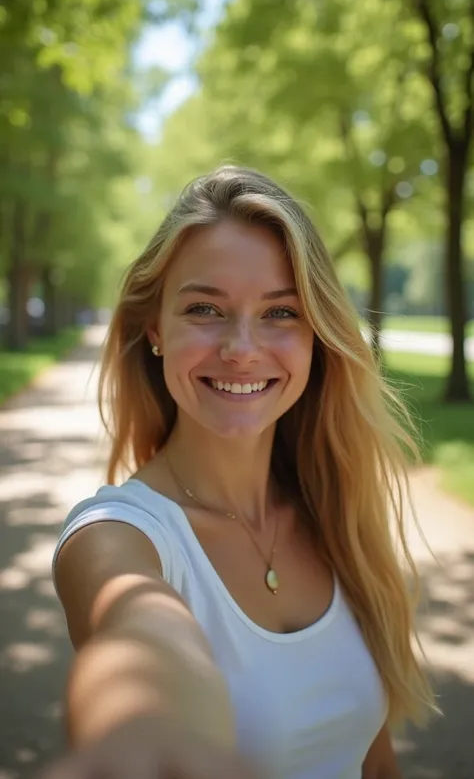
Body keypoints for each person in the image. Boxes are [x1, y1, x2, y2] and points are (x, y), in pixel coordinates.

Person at [48, 165, 435, 779]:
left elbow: (372, 760)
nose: (242, 348)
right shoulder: (115, 536)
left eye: (280, 313)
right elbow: (137, 627)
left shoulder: (332, 513)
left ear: (317, 335)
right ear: (156, 330)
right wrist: (140, 728)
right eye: (205, 308)